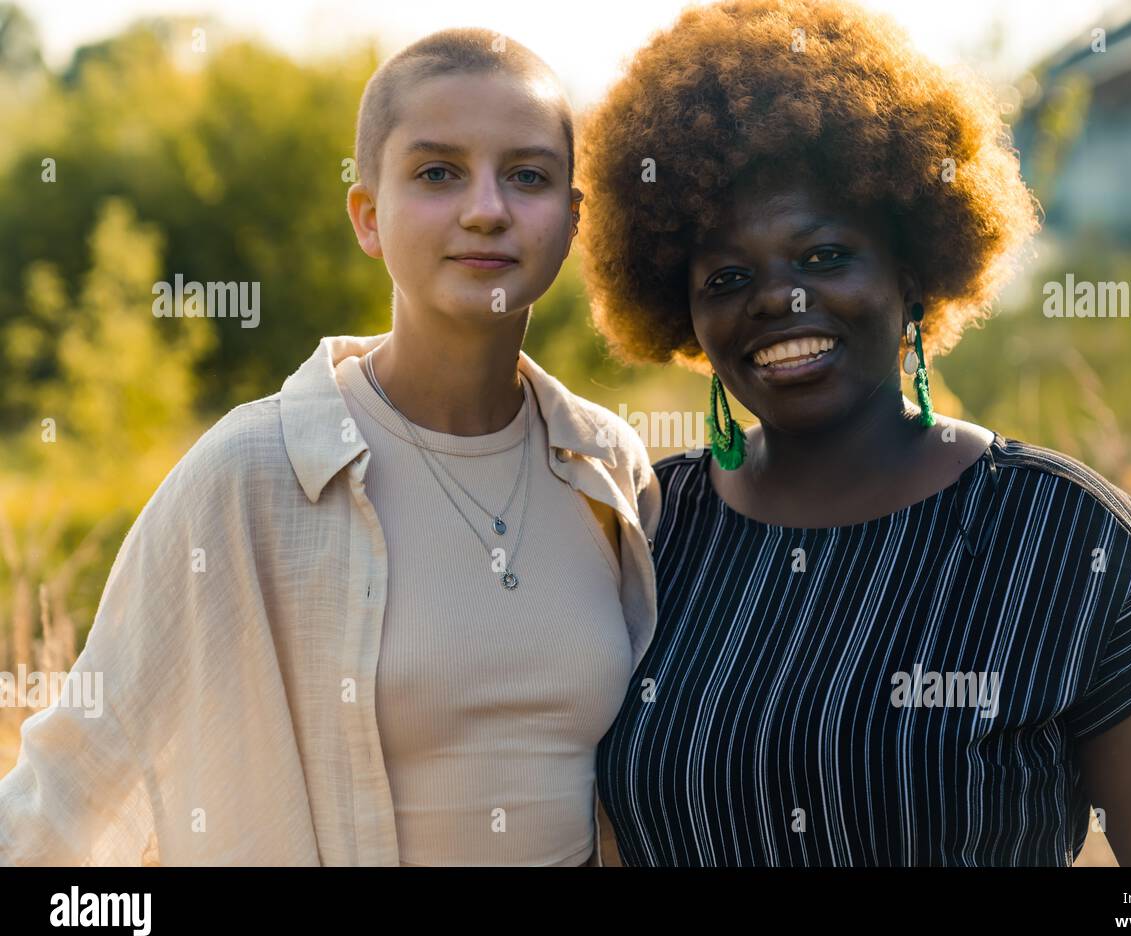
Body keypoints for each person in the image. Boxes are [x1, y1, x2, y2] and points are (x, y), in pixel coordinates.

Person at [577, 0, 1131, 865]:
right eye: (730, 275)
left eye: (823, 256)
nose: (779, 298)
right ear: (684, 312)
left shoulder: (1056, 536)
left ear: (914, 270)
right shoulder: (644, 536)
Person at [0, 28, 659, 866]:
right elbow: (74, 780)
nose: (486, 207)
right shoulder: (253, 474)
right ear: (368, 217)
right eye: (437, 173)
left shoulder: (608, 469)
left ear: (571, 222)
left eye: (526, 175)